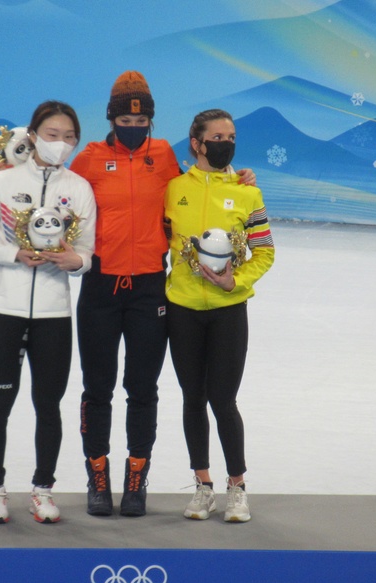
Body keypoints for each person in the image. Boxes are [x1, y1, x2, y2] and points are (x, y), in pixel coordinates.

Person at [69, 72, 256, 517]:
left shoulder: (164, 158)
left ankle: (136, 481)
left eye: (142, 123)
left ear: (151, 122)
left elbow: (202, 186)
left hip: (150, 289)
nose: (134, 129)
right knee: (97, 388)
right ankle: (98, 478)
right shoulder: (90, 159)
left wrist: (238, 177)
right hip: (100, 289)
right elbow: (53, 193)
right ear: (111, 118)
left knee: (142, 388)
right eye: (124, 121)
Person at [0, 100, 96, 524]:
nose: (61, 144)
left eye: (70, 137)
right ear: (35, 135)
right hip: (5, 309)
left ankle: (42, 489)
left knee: (49, 405)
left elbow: (88, 252)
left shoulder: (78, 189)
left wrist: (74, 262)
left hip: (55, 316)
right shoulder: (1, 184)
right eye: (54, 135)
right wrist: (14, 254)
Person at [163, 109, 275, 523]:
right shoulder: (173, 189)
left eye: (231, 135)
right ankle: (203, 487)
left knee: (223, 400)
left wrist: (236, 282)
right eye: (217, 136)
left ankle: (237, 488)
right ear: (197, 143)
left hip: (229, 311)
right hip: (182, 310)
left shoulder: (249, 193)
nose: (226, 141)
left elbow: (265, 249)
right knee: (193, 399)